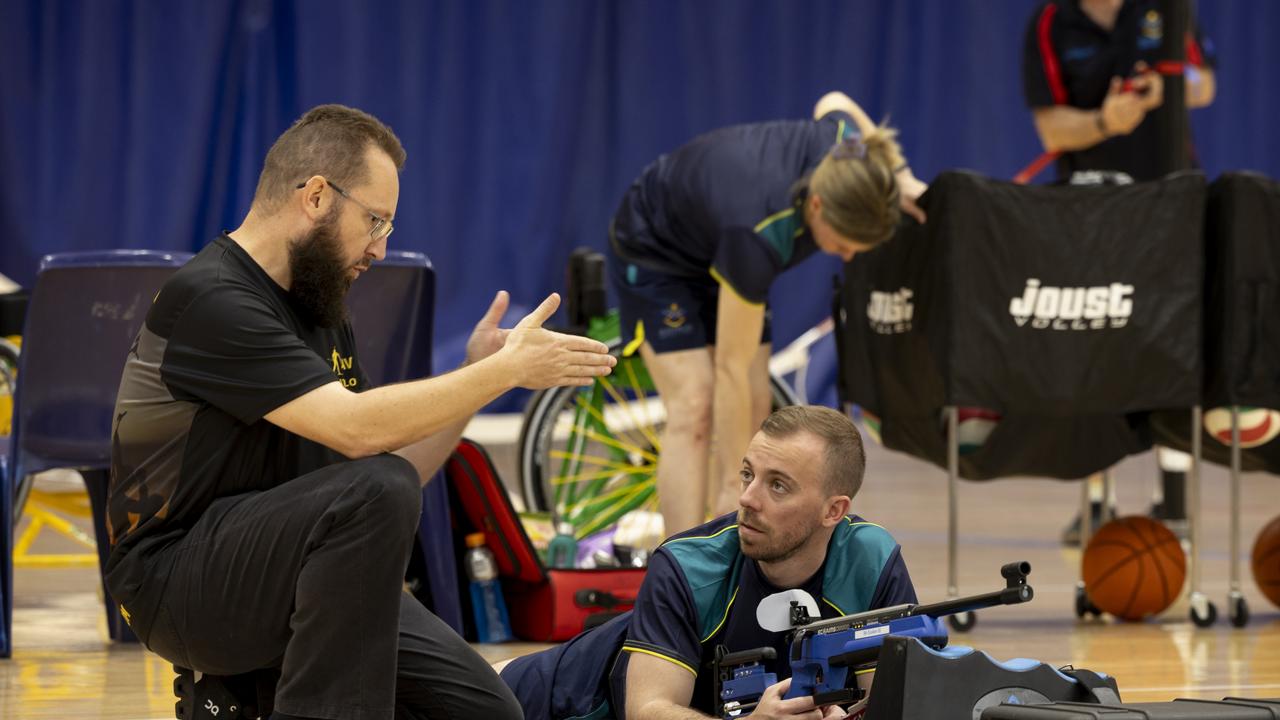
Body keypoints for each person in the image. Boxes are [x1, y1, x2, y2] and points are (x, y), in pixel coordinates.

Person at [105, 104, 616, 720]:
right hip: (177, 583)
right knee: (376, 489)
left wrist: (477, 377)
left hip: (294, 566)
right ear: (317, 195)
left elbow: (386, 468)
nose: (379, 247)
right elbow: (359, 433)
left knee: (488, 711)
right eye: (374, 220)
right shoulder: (212, 298)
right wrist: (501, 372)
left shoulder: (321, 305)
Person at [608, 91, 928, 539]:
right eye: (841, 245)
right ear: (816, 207)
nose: (849, 256)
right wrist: (736, 492)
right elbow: (731, 370)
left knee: (758, 406)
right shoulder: (759, 233)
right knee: (695, 405)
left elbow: (835, 102)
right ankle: (684, 571)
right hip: (659, 249)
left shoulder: (848, 153)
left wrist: (900, 177)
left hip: (717, 233)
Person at [498, 405, 917, 720]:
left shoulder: (871, 561)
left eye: (778, 486)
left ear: (833, 511)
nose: (747, 499)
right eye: (748, 474)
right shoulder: (687, 565)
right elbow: (649, 710)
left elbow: (895, 706)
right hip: (530, 704)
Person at [1022, 0, 1217, 544]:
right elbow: (1050, 129)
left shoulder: (1169, 9)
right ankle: (1096, 502)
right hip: (1088, 211)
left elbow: (1204, 83)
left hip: (1171, 199)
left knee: (1176, 346)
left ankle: (1175, 499)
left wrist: (1166, 88)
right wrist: (1105, 120)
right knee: (1093, 351)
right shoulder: (1049, 24)